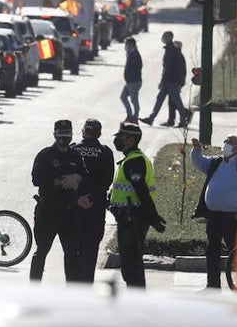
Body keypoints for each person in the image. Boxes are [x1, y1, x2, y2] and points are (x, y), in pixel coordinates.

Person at [190, 134, 237, 288]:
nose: (226, 144)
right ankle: (212, 285)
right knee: (212, 250)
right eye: (226, 141)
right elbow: (199, 162)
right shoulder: (216, 162)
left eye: (230, 142)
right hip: (214, 216)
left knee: (236, 252)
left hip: (234, 217)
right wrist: (196, 150)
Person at [29, 119, 89, 282]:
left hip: (69, 212)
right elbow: (36, 179)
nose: (64, 138)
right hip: (47, 211)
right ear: (54, 134)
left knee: (71, 254)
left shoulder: (75, 155)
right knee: (41, 251)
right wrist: (61, 181)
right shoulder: (45, 155)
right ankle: (34, 290)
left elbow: (84, 176)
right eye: (61, 134)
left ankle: (72, 293)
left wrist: (77, 177)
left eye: (67, 134)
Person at [109, 122, 165, 288]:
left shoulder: (135, 162)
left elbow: (142, 192)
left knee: (131, 263)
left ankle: (137, 301)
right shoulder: (130, 160)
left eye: (121, 136)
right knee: (129, 263)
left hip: (132, 217)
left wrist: (154, 219)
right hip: (128, 217)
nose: (118, 139)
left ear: (131, 139)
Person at [73, 118, 115, 282]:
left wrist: (79, 198)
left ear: (84, 131)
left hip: (75, 206)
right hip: (96, 206)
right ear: (99, 133)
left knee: (74, 249)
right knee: (91, 249)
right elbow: (107, 180)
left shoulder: (73, 149)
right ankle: (86, 284)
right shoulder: (105, 152)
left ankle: (74, 283)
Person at [140, 30, 191, 128]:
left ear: (168, 38)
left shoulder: (171, 50)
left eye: (164, 36)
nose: (162, 38)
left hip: (170, 81)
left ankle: (183, 121)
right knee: (160, 99)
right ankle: (151, 118)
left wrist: (163, 80)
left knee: (177, 101)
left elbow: (168, 67)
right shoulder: (171, 49)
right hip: (168, 80)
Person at [120, 37, 142, 122]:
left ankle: (135, 117)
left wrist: (130, 77)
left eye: (127, 44)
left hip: (134, 81)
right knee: (123, 97)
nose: (126, 46)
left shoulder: (135, 54)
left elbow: (137, 68)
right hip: (130, 82)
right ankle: (129, 115)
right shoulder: (130, 54)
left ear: (132, 45)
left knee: (134, 100)